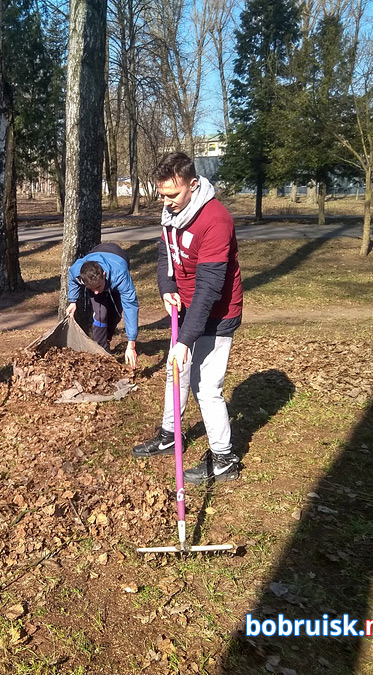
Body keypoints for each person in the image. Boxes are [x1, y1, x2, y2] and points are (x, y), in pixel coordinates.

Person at [131, 152, 243, 485]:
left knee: (206, 388)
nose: (166, 202)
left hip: (217, 312)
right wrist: (167, 287)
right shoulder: (171, 212)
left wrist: (184, 341)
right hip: (185, 307)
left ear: (193, 185)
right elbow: (165, 252)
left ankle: (224, 460)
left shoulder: (215, 219)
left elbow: (210, 289)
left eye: (173, 194)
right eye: (162, 194)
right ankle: (170, 435)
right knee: (174, 373)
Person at [65, 242, 139, 367]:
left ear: (103, 275)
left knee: (116, 313)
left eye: (98, 287)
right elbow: (72, 277)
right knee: (100, 314)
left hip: (118, 257)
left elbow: (130, 305)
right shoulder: (78, 271)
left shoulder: (120, 275)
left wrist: (131, 343)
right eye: (91, 288)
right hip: (96, 253)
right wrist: (73, 301)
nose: (96, 292)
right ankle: (102, 353)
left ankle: (108, 337)